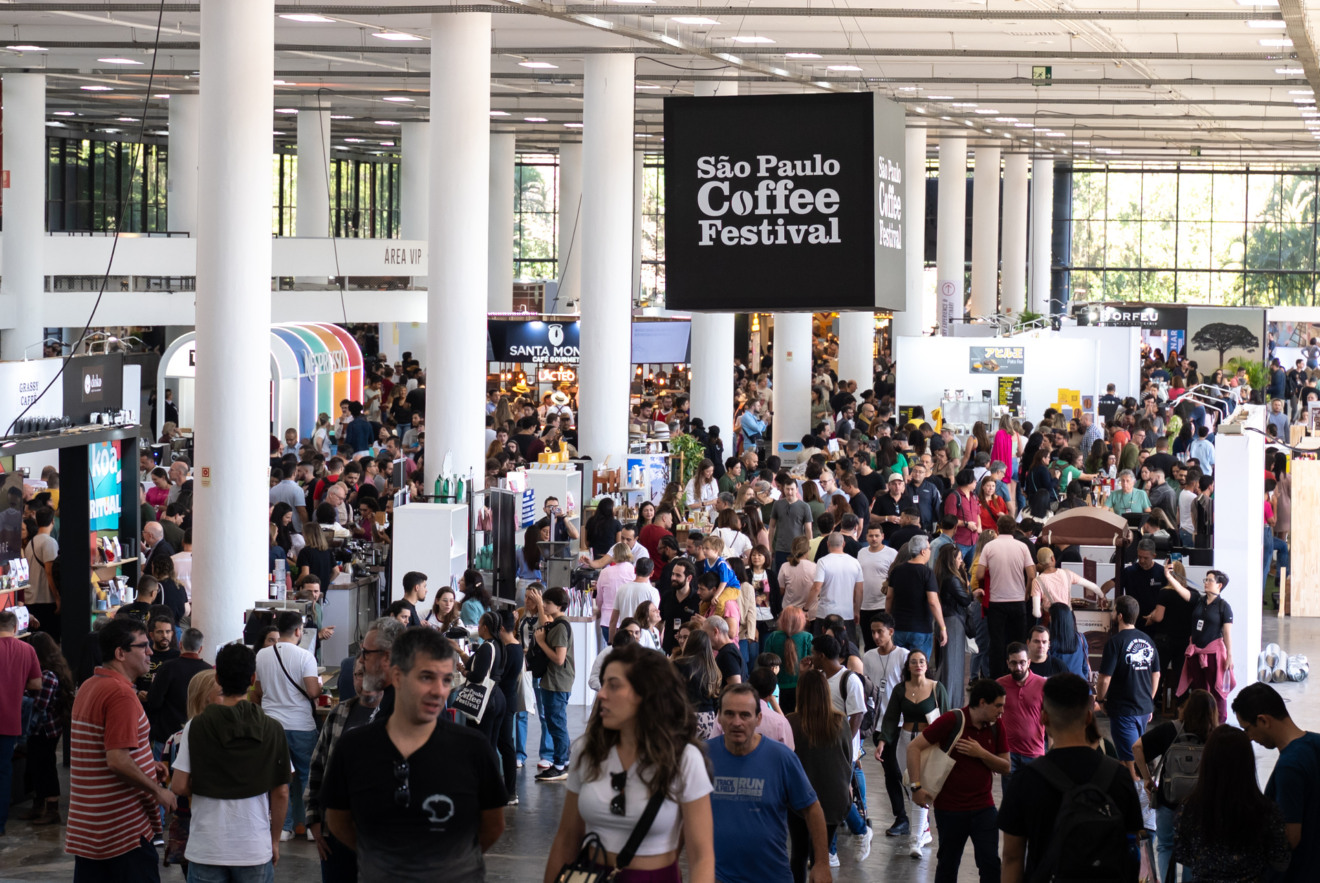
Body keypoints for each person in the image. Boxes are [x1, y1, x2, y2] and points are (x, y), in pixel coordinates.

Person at [324, 628, 507, 881]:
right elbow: (338, 820)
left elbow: (493, 825)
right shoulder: (355, 748)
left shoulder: (473, 749)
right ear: (397, 677)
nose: (439, 691)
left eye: (445, 680)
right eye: (426, 678)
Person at [545, 643, 715, 883]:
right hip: (591, 875)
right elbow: (566, 839)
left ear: (645, 694)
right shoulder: (587, 750)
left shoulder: (684, 759)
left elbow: (702, 857)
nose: (602, 694)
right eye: (603, 684)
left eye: (613, 685)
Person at [999, 673, 1143, 883]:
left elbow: (1012, 857)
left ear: (1043, 718)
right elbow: (1133, 848)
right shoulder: (1119, 775)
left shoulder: (1025, 779)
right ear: (1088, 717)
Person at [66, 618, 177, 880]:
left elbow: (100, 748)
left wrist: (148, 766)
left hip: (90, 830)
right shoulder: (121, 695)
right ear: (120, 653)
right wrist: (157, 790)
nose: (150, 652)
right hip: (122, 833)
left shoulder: (89, 686)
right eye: (143, 646)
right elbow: (116, 759)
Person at [169, 642, 292, 880]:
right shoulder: (273, 729)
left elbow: (179, 785)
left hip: (207, 847)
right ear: (253, 678)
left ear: (217, 677)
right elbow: (282, 792)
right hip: (254, 847)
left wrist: (212, 782)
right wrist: (274, 840)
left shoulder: (197, 726)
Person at [711, 681, 831, 883]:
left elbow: (812, 808)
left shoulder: (780, 757)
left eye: (745, 715)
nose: (736, 722)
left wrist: (821, 863)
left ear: (758, 719)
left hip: (772, 876)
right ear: (719, 718)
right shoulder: (704, 756)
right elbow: (681, 812)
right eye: (729, 714)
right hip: (719, 876)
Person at [907, 678, 1010, 883]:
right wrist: (916, 787)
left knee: (990, 865)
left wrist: (981, 753)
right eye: (998, 705)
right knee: (948, 865)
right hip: (950, 809)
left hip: (984, 807)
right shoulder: (952, 720)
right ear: (982, 703)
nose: (1002, 711)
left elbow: (1006, 766)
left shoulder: (997, 726)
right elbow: (914, 748)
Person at [1175, 725, 1290, 883]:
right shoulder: (1265, 811)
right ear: (1248, 763)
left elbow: (1183, 855)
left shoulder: (1189, 809)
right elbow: (1280, 860)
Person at [1233, 682, 1320, 882]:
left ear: (1263, 720)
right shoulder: (1316, 743)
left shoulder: (1289, 767)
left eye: (1247, 729)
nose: (1250, 738)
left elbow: (1290, 837)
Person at [307, 655, 383, 881]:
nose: (363, 681)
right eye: (358, 675)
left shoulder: (394, 717)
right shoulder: (339, 713)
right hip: (335, 832)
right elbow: (317, 767)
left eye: (368, 674)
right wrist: (314, 820)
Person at [1133, 688, 1217, 883]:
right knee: (1194, 849)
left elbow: (1137, 747)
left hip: (1168, 799)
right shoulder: (1215, 735)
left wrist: (1147, 778)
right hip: (1201, 805)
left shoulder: (1171, 729)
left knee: (1165, 846)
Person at [253, 609, 322, 840]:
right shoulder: (305, 657)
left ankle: (284, 827)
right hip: (301, 725)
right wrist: (320, 686)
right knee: (306, 775)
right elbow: (312, 691)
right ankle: (311, 826)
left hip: (271, 725)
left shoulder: (262, 655)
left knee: (279, 775)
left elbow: (259, 691)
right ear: (298, 631)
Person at [1096, 595, 1161, 772]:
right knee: (1137, 756)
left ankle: (1140, 797)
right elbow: (1156, 674)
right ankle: (1142, 794)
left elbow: (1104, 678)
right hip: (1143, 708)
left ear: (1120, 616)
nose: (1112, 612)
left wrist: (1101, 700)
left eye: (1114, 609)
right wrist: (1149, 699)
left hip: (1124, 710)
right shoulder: (1148, 641)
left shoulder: (1115, 642)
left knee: (1130, 763)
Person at [1164, 567, 1234, 722]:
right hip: (1195, 653)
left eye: (1210, 580)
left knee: (1217, 691)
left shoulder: (1224, 607)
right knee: (1198, 690)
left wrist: (1229, 656)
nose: (1206, 583)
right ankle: (1202, 722)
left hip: (1213, 655)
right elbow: (1182, 591)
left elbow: (1227, 633)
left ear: (1219, 585)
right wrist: (1169, 578)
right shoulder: (1198, 600)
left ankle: (1219, 722)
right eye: (1206, 579)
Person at [19, 630, 71, 828]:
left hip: (44, 729)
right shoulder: (51, 671)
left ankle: (51, 808)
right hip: (44, 727)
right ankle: (39, 805)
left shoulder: (47, 675)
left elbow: (40, 704)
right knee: (36, 766)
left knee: (45, 767)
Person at [975, 515, 1036, 679]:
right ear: (1014, 529)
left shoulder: (989, 547)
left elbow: (979, 574)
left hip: (996, 602)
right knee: (1018, 642)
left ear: (998, 528)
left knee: (997, 644)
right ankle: (1020, 675)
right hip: (1017, 601)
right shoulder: (1022, 546)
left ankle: (997, 679)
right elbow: (1032, 573)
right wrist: (1027, 592)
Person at [0, 609, 42, 835]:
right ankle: (0, 823)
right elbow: (36, 684)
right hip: (9, 720)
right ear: (16, 627)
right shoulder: (27, 650)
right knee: (4, 771)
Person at [145, 627, 212, 753]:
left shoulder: (168, 668)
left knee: (163, 771)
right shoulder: (209, 672)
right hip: (198, 735)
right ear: (201, 649)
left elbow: (154, 702)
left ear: (180, 645)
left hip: (167, 736)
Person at [534, 585, 575, 781]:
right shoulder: (558, 623)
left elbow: (559, 659)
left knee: (556, 723)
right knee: (556, 722)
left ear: (559, 605)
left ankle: (559, 765)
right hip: (555, 681)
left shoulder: (560, 627)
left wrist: (541, 643)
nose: (544, 605)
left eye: (548, 603)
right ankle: (563, 761)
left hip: (557, 682)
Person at [885, 534, 946, 659]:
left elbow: (889, 597)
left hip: (899, 626)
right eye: (929, 549)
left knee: (901, 667)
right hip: (921, 629)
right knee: (919, 668)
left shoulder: (897, 571)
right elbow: (933, 602)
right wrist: (942, 627)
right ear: (923, 552)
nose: (930, 551)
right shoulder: (927, 573)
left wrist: (888, 620)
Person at [933, 542, 974, 709]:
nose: (961, 561)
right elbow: (964, 599)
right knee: (953, 665)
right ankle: (950, 705)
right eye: (958, 558)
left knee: (946, 663)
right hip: (953, 623)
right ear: (952, 560)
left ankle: (947, 703)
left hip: (944, 621)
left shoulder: (939, 576)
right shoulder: (952, 579)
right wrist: (970, 590)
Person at [997, 643, 1046, 778]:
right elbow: (992, 719)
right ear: (1008, 663)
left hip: (1035, 755)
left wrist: (1051, 753)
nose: (1018, 667)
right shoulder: (999, 685)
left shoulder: (1042, 685)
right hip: (1008, 754)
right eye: (1013, 663)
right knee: (1009, 797)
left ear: (1029, 662)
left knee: (1033, 798)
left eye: (1022, 662)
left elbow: (1051, 720)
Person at [808, 532, 864, 642]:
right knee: (848, 649)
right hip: (847, 613)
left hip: (825, 613)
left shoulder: (823, 561)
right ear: (843, 544)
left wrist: (806, 607)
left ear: (828, 544)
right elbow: (859, 590)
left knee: (822, 648)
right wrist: (856, 610)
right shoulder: (855, 562)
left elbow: (816, 588)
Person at [762, 606, 813, 714]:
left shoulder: (773, 637)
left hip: (777, 690)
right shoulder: (807, 637)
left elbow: (765, 663)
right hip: (801, 689)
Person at [674, 628, 724, 739]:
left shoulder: (679, 664)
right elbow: (716, 698)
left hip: (688, 715)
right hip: (709, 718)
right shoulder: (713, 668)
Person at [24, 505, 59, 643]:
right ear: (52, 521)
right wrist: (57, 598)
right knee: (49, 642)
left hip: (31, 598)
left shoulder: (30, 543)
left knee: (35, 643)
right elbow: (49, 572)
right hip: (46, 599)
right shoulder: (49, 542)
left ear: (37, 522)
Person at [778, 535, 820, 625]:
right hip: (810, 614)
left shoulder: (785, 566)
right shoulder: (815, 567)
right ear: (807, 550)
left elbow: (781, 590)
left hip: (789, 613)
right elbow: (818, 591)